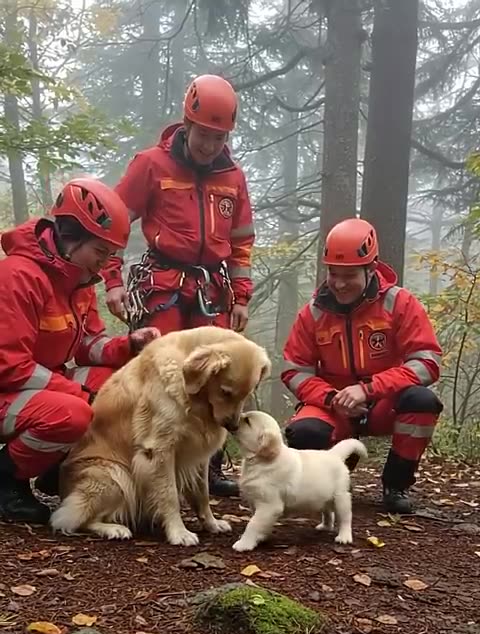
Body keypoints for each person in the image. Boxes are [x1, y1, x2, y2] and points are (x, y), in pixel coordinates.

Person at [101, 74, 255, 497]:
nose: (210, 145)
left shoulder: (233, 177)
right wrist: (112, 279)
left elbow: (241, 241)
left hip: (212, 288)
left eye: (219, 137)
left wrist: (240, 296)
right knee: (164, 378)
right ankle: (149, 462)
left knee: (217, 375)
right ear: (187, 124)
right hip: (164, 282)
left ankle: (207, 470)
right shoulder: (151, 164)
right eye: (204, 134)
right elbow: (113, 222)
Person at [0, 177, 159, 525]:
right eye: (99, 252)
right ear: (71, 236)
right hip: (8, 387)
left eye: (109, 255)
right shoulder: (18, 275)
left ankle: (56, 470)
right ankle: (6, 481)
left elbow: (89, 344)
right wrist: (80, 393)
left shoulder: (78, 281)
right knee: (73, 412)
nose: (103, 264)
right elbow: (10, 367)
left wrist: (129, 345)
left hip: (34, 386)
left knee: (116, 383)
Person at [281, 218, 443, 514]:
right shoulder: (313, 313)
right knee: (304, 433)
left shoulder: (400, 303)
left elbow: (427, 362)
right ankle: (332, 480)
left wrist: (369, 389)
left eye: (350, 275)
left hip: (384, 401)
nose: (340, 283)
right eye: (333, 273)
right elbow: (294, 370)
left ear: (371, 269)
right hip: (333, 403)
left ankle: (396, 485)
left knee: (422, 402)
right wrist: (332, 398)